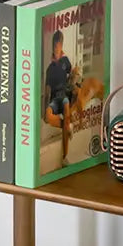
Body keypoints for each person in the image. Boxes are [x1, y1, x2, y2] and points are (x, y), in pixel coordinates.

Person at [44, 30, 73, 161]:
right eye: (55, 45)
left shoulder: (65, 61)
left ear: (61, 45)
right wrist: (45, 107)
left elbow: (72, 77)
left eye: (59, 44)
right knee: (49, 116)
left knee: (66, 111)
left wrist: (74, 76)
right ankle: (68, 127)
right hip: (54, 99)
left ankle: (65, 155)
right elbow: (47, 90)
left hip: (65, 96)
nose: (57, 47)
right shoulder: (49, 68)